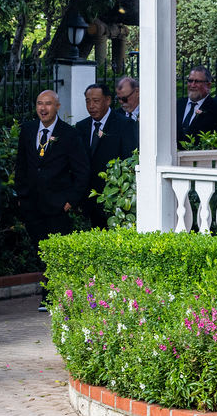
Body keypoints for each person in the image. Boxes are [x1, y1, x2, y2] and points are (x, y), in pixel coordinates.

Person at [14, 90, 88, 310]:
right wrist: (21, 194)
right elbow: (21, 165)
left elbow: (82, 170)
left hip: (57, 205)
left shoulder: (69, 134)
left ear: (57, 106)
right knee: (40, 250)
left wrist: (70, 200)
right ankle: (51, 291)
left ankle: (51, 296)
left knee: (55, 251)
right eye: (39, 103)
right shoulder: (28, 130)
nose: (43, 108)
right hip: (32, 204)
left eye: (48, 103)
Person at [75, 83, 138, 229]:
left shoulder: (125, 124)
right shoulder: (81, 126)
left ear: (108, 100)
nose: (91, 106)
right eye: (88, 101)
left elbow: (128, 161)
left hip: (114, 200)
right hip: (89, 200)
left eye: (96, 101)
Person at [176, 65, 217, 148]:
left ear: (208, 85)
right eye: (190, 81)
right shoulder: (177, 105)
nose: (192, 85)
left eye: (197, 82)